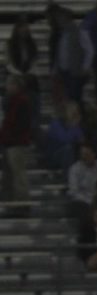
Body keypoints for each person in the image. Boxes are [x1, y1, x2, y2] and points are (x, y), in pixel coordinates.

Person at [0, 75, 34, 212]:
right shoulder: (12, 101)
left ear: (16, 85)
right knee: (8, 175)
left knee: (18, 175)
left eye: (9, 84)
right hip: (8, 143)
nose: (6, 87)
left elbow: (22, 124)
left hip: (17, 144)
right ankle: (9, 204)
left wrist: (10, 135)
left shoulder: (22, 101)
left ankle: (22, 204)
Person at [53, 7, 93, 107]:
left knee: (75, 99)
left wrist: (85, 67)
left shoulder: (79, 32)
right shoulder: (62, 34)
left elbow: (89, 50)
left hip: (75, 72)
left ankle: (80, 120)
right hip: (64, 72)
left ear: (67, 18)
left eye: (60, 18)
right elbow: (60, 52)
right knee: (68, 100)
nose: (58, 21)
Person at [67, 141, 97, 221]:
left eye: (87, 154)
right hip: (83, 202)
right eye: (82, 154)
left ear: (94, 154)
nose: (84, 157)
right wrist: (90, 201)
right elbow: (74, 191)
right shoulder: (75, 169)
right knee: (78, 207)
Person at [44, 102, 85, 171]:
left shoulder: (75, 125)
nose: (76, 114)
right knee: (68, 148)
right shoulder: (56, 123)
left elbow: (82, 140)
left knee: (80, 150)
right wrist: (74, 126)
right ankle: (69, 177)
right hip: (53, 156)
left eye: (77, 112)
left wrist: (76, 126)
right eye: (74, 112)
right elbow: (64, 140)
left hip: (68, 156)